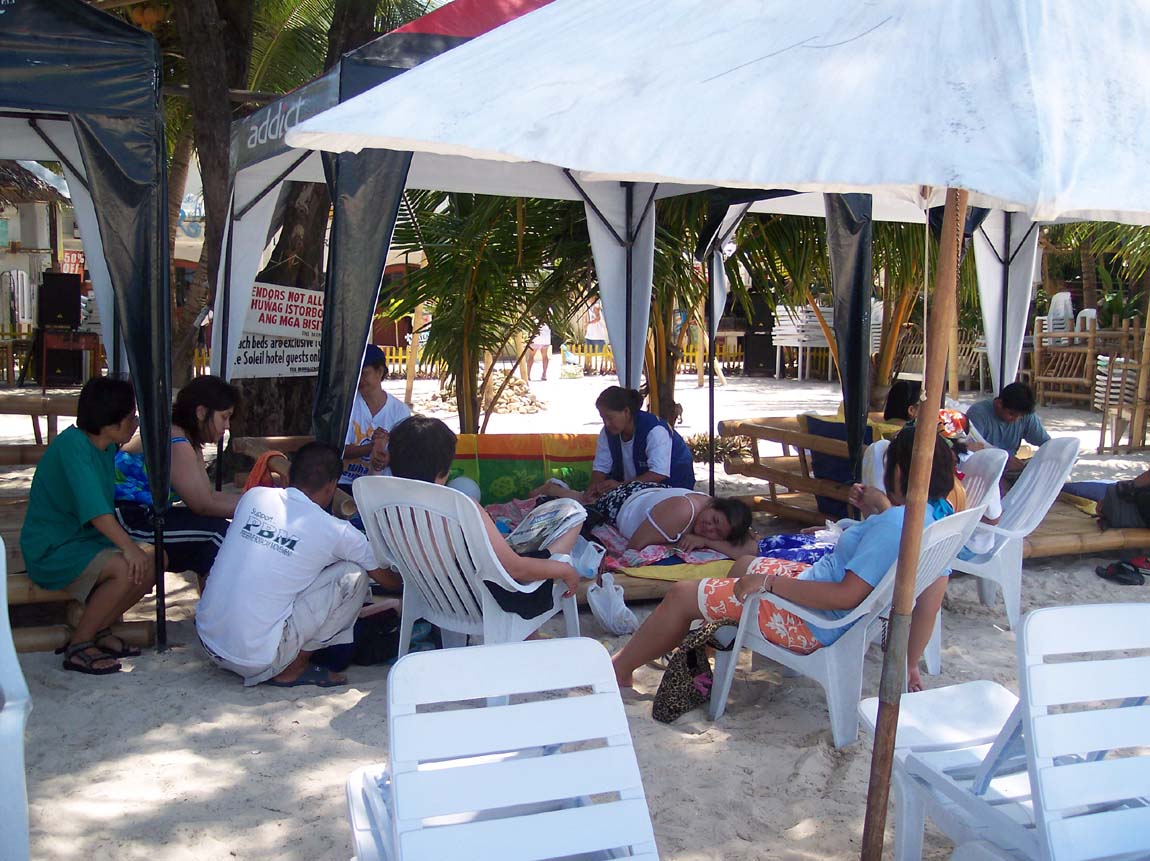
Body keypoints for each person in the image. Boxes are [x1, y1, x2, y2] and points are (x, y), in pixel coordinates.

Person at [611, 428, 957, 692]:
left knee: (682, 594)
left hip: (811, 621)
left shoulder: (894, 524)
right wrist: (911, 663)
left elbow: (845, 595)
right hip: (832, 610)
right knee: (744, 566)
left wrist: (769, 583)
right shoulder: (932, 519)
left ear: (899, 471)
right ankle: (707, 645)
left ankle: (621, 668)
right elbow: (929, 604)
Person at [196, 443, 401, 688]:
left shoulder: (254, 497)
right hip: (254, 660)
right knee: (353, 576)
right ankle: (293, 669)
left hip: (208, 639)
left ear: (289, 475)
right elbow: (389, 581)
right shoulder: (337, 531)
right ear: (331, 487)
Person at [21, 377, 160, 675]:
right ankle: (79, 645)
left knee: (156, 558)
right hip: (53, 548)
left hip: (85, 542)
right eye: (131, 417)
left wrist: (134, 549)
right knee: (126, 566)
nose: (135, 422)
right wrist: (129, 548)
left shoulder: (106, 447)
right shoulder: (73, 446)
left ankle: (98, 630)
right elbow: (97, 512)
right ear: (110, 422)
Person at [388, 415, 583, 619]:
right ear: (442, 469)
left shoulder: (387, 507)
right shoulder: (460, 507)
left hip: (434, 599)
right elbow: (516, 569)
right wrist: (564, 570)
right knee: (575, 519)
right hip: (484, 601)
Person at [114, 375, 242, 586]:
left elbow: (208, 496)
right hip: (130, 520)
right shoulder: (176, 441)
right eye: (224, 417)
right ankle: (217, 605)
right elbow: (202, 505)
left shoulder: (184, 437)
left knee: (216, 537)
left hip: (144, 514)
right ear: (201, 412)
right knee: (219, 536)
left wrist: (254, 503)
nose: (227, 426)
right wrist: (256, 509)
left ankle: (213, 604)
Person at [530, 478, 756, 556]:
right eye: (713, 521)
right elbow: (635, 546)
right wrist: (683, 543)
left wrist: (705, 541)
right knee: (587, 502)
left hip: (651, 494)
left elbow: (751, 549)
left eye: (717, 533)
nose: (709, 528)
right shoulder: (683, 511)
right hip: (626, 501)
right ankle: (553, 489)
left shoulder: (724, 516)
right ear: (713, 505)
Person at [583, 386, 695, 497]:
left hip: (674, 491)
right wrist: (593, 490)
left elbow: (658, 473)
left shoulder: (655, 430)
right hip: (634, 490)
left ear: (626, 411)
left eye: (610, 418)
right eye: (603, 418)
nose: (606, 423)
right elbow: (601, 468)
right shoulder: (607, 432)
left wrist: (620, 486)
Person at [341, 344, 411, 488]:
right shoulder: (346, 406)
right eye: (355, 374)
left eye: (364, 373)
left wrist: (385, 457)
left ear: (380, 372)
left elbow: (404, 454)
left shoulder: (400, 411)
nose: (359, 379)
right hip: (346, 484)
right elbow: (339, 449)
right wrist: (372, 447)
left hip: (383, 486)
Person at [965, 382, 1050, 472]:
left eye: (1021, 416)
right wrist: (1001, 460)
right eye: (1012, 414)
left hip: (1010, 471)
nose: (1016, 419)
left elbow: (1046, 443)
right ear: (999, 404)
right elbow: (971, 449)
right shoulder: (978, 414)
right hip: (983, 471)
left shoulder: (1026, 415)